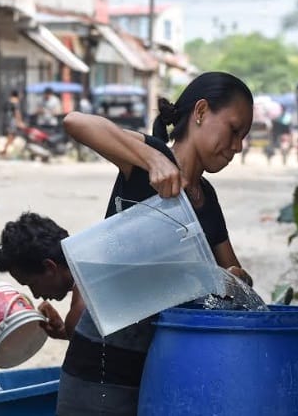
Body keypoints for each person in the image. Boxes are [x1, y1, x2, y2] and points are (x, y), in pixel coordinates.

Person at [58, 71, 255, 415]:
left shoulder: (206, 199)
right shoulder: (146, 157)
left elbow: (236, 278)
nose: (237, 146)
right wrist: (154, 160)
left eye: (244, 137)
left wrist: (236, 278)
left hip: (160, 370)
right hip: (101, 366)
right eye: (234, 130)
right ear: (201, 112)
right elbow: (75, 121)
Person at [0, 212, 84, 340]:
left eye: (32, 283)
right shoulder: (89, 257)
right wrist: (65, 333)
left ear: (50, 267)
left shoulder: (80, 313)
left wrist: (71, 330)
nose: (35, 294)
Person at [0, 90, 26, 156]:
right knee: (11, 135)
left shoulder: (7, 101)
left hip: (6, 121)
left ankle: (5, 150)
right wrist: (19, 122)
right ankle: (4, 151)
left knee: (11, 136)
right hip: (12, 121)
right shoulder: (15, 101)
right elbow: (17, 112)